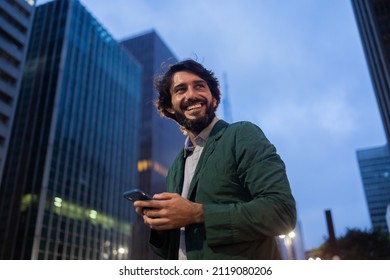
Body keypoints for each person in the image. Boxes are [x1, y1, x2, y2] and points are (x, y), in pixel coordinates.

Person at [134, 59, 296, 260]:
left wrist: (197, 214)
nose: (191, 95)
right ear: (169, 107)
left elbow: (281, 213)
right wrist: (161, 225)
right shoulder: (176, 165)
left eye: (199, 86)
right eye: (181, 89)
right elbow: (172, 251)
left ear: (214, 99)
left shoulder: (241, 134)